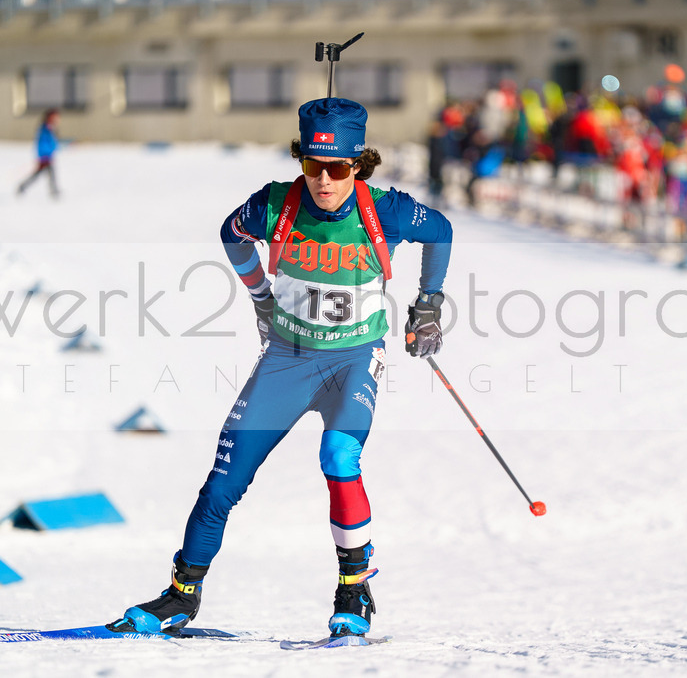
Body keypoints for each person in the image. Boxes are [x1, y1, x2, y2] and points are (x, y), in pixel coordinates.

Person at [108, 97, 453, 638]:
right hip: (288, 360)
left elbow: (440, 232)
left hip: (353, 358)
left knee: (339, 456)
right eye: (312, 166)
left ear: (357, 164)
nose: (324, 180)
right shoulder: (275, 206)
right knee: (224, 479)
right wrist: (261, 298)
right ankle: (182, 594)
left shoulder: (383, 210)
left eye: (337, 168)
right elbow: (231, 234)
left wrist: (428, 304)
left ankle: (354, 589)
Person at [17, 108, 61, 198]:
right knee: (42, 174)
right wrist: (47, 153)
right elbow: (43, 143)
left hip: (48, 155)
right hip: (45, 156)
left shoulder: (50, 128)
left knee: (45, 174)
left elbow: (53, 142)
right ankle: (23, 186)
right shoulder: (44, 129)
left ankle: (53, 190)